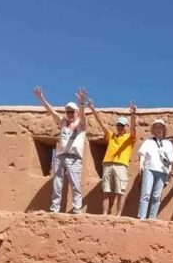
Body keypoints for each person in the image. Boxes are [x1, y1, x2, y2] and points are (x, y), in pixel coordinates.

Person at [34, 86, 87, 214]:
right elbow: (51, 111)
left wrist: (81, 102)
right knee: (57, 183)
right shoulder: (63, 122)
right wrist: (41, 98)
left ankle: (77, 208)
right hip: (60, 155)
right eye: (68, 112)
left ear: (76, 112)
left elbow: (82, 114)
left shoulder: (81, 123)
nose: (70, 114)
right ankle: (55, 208)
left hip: (74, 157)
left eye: (72, 112)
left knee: (75, 183)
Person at [88, 99, 138, 215]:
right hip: (107, 164)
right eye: (118, 125)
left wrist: (133, 114)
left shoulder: (129, 137)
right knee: (106, 190)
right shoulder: (111, 136)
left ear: (126, 126)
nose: (120, 127)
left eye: (122, 125)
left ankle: (118, 214)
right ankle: (105, 213)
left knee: (120, 191)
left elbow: (134, 130)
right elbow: (101, 123)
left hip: (121, 165)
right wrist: (92, 109)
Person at [137, 119, 173, 219]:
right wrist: (141, 164)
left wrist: (169, 171)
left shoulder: (168, 143)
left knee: (157, 196)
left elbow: (171, 160)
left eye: (160, 127)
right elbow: (142, 154)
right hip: (149, 169)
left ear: (164, 129)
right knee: (146, 193)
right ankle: (142, 217)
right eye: (156, 127)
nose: (158, 129)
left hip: (162, 171)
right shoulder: (148, 141)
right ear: (153, 129)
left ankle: (152, 218)